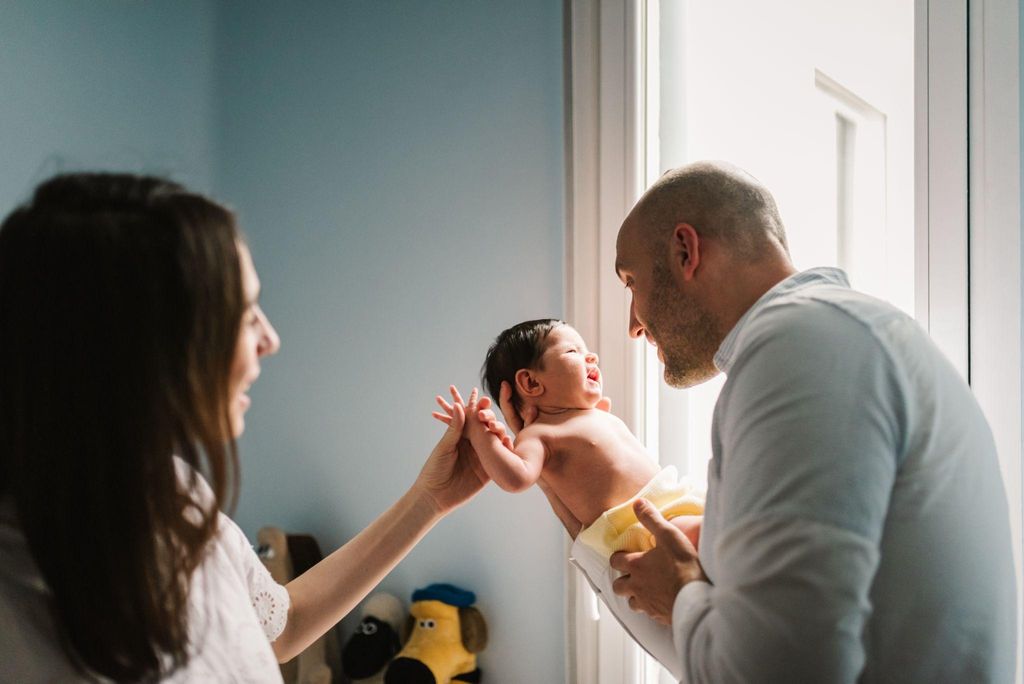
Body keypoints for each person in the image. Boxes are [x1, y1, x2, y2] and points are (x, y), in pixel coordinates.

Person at [0, 173, 489, 682]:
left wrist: (428, 501)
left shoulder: (175, 492)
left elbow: (282, 625)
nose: (270, 339)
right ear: (148, 340)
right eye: (241, 312)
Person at [589, 160, 1016, 681]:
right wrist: (727, 544)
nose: (634, 324)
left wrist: (681, 592)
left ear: (685, 251)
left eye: (631, 282)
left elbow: (780, 670)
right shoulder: (843, 335)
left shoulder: (800, 345)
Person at [435, 318, 703, 557]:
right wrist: (481, 436)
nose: (592, 357)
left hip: (674, 500)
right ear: (530, 383)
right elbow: (515, 478)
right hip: (639, 528)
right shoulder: (539, 435)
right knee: (708, 535)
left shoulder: (591, 414)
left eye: (587, 350)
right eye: (574, 351)